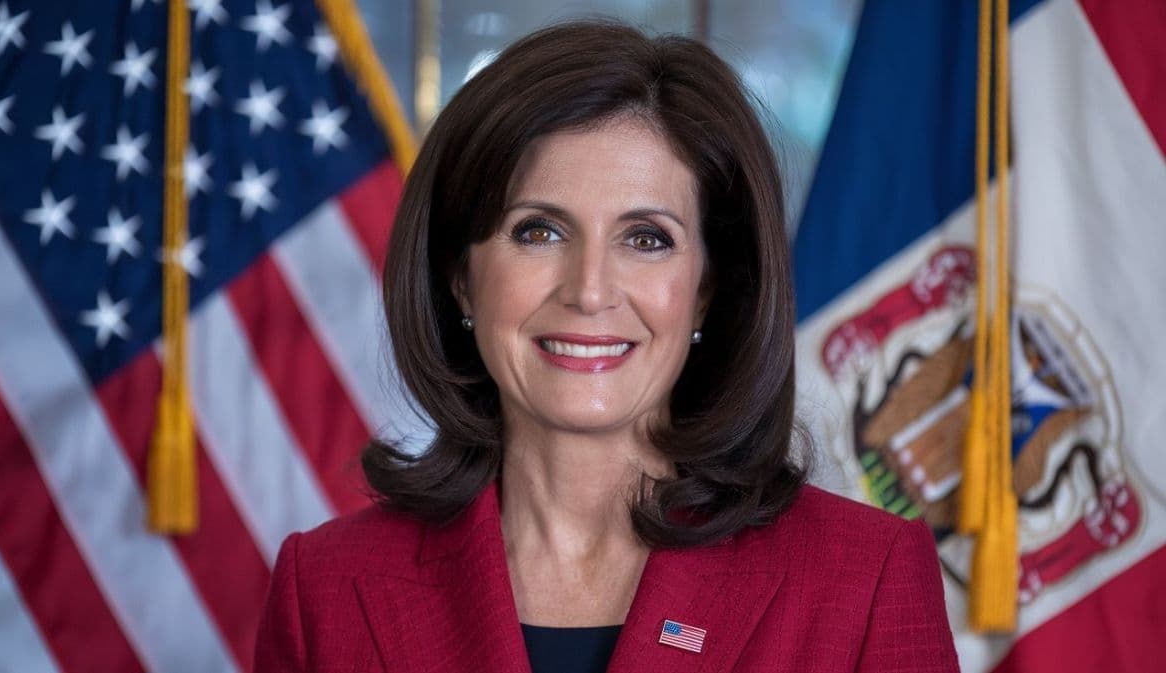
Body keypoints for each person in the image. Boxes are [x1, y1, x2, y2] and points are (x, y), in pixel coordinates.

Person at [253, 19, 959, 673]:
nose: (590, 291)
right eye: (539, 231)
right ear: (462, 278)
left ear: (707, 289)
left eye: (646, 239)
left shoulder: (862, 580)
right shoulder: (327, 588)